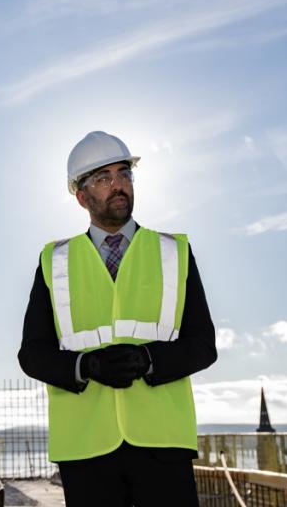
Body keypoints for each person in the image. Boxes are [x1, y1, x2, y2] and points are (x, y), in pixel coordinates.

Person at [18, 131, 218, 507]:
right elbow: (32, 355)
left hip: (163, 445)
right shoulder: (54, 261)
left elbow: (203, 346)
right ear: (81, 196)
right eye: (104, 178)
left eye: (124, 174)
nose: (119, 186)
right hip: (85, 448)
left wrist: (149, 360)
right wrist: (86, 365)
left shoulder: (174, 252)